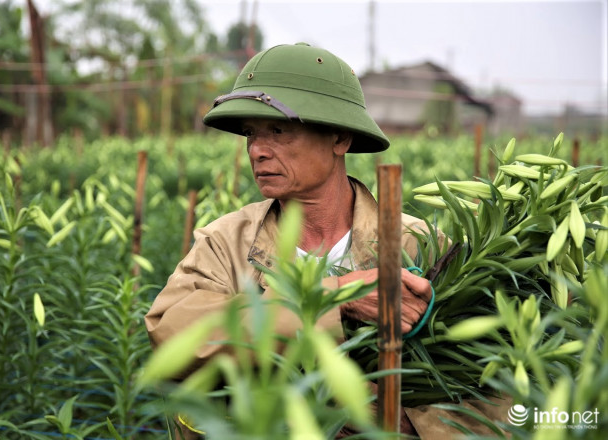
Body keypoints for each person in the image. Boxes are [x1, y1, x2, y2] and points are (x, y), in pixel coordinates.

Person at [145, 43, 507, 439]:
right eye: (251, 133)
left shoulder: (417, 246)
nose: (256, 151)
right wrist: (333, 297)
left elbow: (505, 389)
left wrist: (414, 425)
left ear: (339, 138)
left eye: (278, 130)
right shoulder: (228, 241)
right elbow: (172, 331)